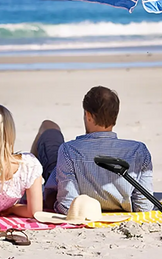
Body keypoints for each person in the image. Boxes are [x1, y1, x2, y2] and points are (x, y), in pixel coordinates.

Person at [33, 86, 154, 215]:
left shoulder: (69, 150)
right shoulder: (139, 151)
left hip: (69, 167)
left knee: (48, 126)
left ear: (89, 115)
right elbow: (144, 206)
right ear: (115, 116)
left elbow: (67, 206)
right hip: (119, 206)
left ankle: (30, 184)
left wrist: (53, 202)